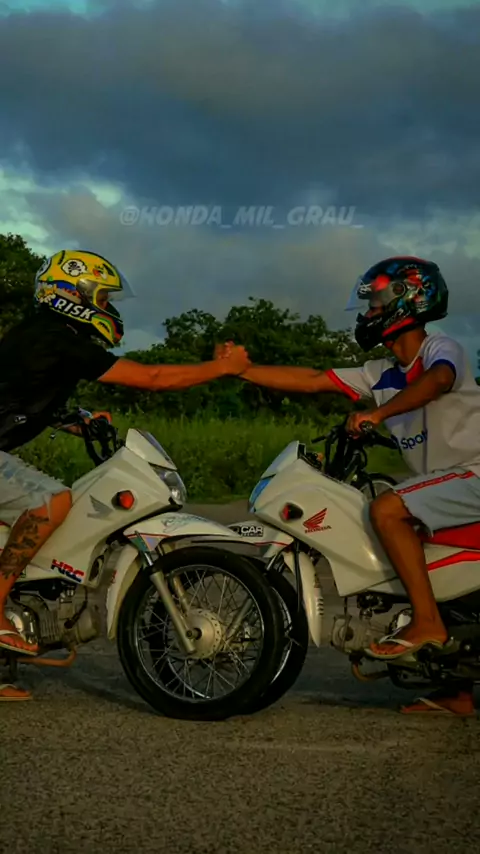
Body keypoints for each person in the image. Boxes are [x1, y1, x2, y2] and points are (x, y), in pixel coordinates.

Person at [227, 256, 480, 716]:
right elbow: (312, 380)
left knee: (387, 509)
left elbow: (438, 381)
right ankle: (456, 688)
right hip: (448, 485)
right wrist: (241, 371)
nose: (368, 312)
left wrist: (377, 415)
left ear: (408, 300)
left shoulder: (440, 349)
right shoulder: (379, 372)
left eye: (377, 301)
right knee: (414, 550)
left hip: (476, 472)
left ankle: (427, 624)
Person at [0, 249, 250, 701]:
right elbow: (151, 377)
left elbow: (20, 394)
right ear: (73, 294)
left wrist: (74, 420)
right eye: (101, 297)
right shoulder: (54, 337)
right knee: (49, 502)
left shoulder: (46, 337)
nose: (107, 306)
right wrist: (221, 368)